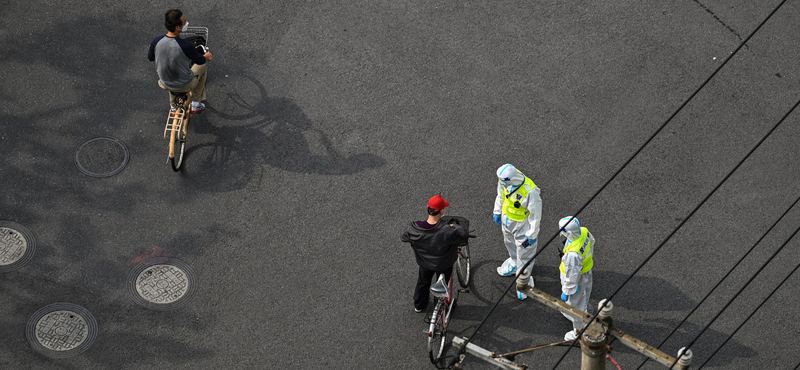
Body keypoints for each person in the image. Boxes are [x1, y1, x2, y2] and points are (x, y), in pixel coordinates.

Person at [401, 195, 470, 313]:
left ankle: (419, 305)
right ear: (442, 211)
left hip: (424, 263)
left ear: (428, 209)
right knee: (442, 283)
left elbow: (404, 237)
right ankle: (440, 304)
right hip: (444, 263)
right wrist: (455, 226)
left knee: (423, 281)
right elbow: (464, 234)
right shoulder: (447, 230)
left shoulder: (415, 228)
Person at [147, 9, 213, 113]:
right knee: (203, 66)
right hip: (185, 84)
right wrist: (207, 57)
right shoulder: (186, 46)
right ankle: (196, 102)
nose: (186, 23)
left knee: (169, 74)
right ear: (178, 27)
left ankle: (173, 106)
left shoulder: (156, 41)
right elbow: (200, 60)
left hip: (164, 83)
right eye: (185, 22)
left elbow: (150, 58)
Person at [493, 164, 542, 300]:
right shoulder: (504, 181)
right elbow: (500, 195)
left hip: (523, 226)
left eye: (503, 181)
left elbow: (535, 216)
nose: (501, 183)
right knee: (510, 244)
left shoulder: (530, 191)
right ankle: (514, 262)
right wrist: (497, 211)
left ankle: (523, 281)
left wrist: (532, 234)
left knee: (525, 255)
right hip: (507, 221)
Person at [558, 216, 595, 341]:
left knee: (575, 305)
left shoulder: (573, 254)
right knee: (586, 291)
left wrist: (567, 291)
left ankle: (579, 331)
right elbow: (592, 243)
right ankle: (584, 310)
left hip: (576, 279)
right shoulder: (584, 231)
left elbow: (572, 274)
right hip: (586, 271)